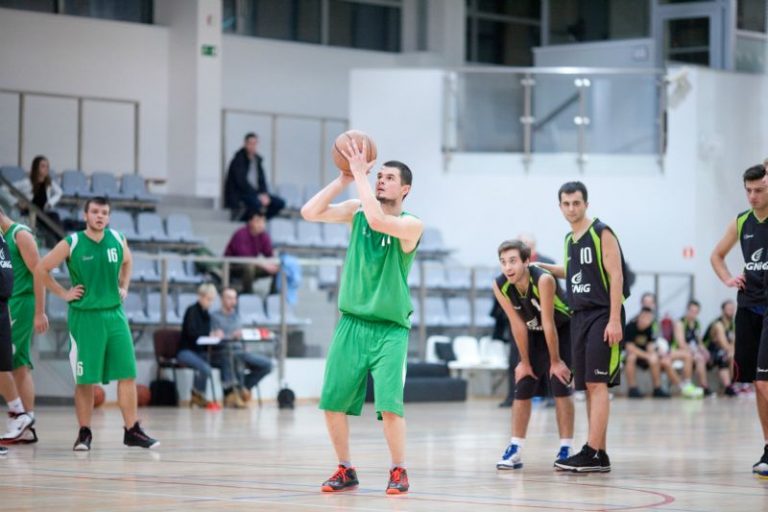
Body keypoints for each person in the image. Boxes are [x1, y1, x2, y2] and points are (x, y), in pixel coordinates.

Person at [301, 139, 423, 495]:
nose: (381, 180)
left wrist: (359, 175)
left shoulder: (412, 224)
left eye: (389, 177)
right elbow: (309, 212)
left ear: (405, 189)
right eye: (378, 175)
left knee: (390, 406)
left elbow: (377, 219)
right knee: (332, 402)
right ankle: (345, 469)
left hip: (390, 330)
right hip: (351, 323)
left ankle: (398, 470)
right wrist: (343, 179)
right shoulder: (356, 210)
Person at [35, 197, 158, 451]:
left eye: (104, 212)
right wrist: (63, 293)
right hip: (86, 318)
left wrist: (124, 286)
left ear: (108, 217)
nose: (100, 216)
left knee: (128, 373)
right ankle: (84, 433)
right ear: (85, 215)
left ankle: (132, 430)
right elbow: (41, 269)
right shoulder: (73, 242)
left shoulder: (118, 239)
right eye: (95, 212)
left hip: (115, 315)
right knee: (85, 379)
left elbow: (128, 261)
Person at [539, 181, 629, 473]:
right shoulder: (570, 239)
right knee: (589, 386)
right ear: (560, 207)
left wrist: (614, 319)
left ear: (586, 204)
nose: (571, 208)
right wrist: (544, 268)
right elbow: (573, 270)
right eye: (566, 204)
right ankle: (599, 453)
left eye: (576, 203)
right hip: (579, 316)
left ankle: (591, 450)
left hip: (602, 313)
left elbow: (616, 275)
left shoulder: (601, 232)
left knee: (597, 384)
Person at [492, 239, 575, 470]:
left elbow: (549, 323)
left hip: (562, 329)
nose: (508, 267)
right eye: (503, 262)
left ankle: (566, 448)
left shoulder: (544, 280)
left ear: (526, 261)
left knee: (559, 383)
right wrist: (524, 362)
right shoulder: (499, 285)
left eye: (513, 261)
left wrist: (556, 361)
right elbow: (517, 324)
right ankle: (515, 448)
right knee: (523, 383)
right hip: (532, 331)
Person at [710, 163, 768, 477]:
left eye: (759, 190)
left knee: (764, 381)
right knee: (758, 383)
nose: (753, 196)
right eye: (749, 190)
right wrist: (728, 278)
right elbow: (716, 255)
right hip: (749, 307)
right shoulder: (742, 221)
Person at [0, 208, 45, 444]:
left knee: (6, 362)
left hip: (21, 304)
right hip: (10, 303)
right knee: (19, 364)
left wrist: (39, 312)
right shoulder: (3, 238)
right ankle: (27, 425)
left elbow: (40, 273)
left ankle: (19, 415)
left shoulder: (20, 235)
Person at [177, 283, 239, 408]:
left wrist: (216, 335)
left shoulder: (206, 314)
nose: (210, 303)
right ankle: (197, 395)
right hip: (187, 351)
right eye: (208, 299)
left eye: (212, 300)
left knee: (225, 357)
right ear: (200, 296)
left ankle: (228, 391)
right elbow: (191, 333)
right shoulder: (192, 311)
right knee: (205, 368)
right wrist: (210, 334)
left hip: (201, 352)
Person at [211, 288, 273, 404]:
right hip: (223, 351)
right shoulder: (214, 317)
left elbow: (241, 336)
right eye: (229, 298)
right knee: (234, 358)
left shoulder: (237, 317)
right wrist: (229, 336)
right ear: (222, 299)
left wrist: (243, 340)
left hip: (240, 350)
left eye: (234, 298)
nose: (232, 301)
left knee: (267, 365)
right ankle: (233, 392)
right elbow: (214, 337)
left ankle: (243, 387)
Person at [224, 132, 285, 220]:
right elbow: (241, 182)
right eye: (250, 143)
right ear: (245, 144)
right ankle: (246, 220)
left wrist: (264, 194)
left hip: (257, 194)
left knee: (279, 203)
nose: (252, 146)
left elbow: (262, 180)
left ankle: (261, 220)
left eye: (255, 143)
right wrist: (258, 195)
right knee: (256, 203)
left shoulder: (258, 161)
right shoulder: (238, 160)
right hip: (242, 194)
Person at [624, 307, 678, 399]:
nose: (646, 320)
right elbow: (630, 348)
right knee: (631, 357)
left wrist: (653, 354)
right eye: (644, 317)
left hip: (644, 354)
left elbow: (650, 345)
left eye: (649, 318)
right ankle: (632, 389)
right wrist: (647, 356)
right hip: (631, 354)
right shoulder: (630, 327)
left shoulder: (650, 328)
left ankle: (657, 389)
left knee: (654, 358)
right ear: (639, 316)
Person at [223, 210, 279, 294]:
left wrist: (272, 264)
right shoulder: (240, 234)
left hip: (253, 265)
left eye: (263, 221)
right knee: (249, 267)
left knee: (279, 267)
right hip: (234, 266)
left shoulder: (263, 236)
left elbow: (269, 255)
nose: (261, 224)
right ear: (250, 221)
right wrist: (263, 264)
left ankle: (274, 294)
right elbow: (244, 258)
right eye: (258, 221)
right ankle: (248, 294)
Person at [14, 155, 65, 242]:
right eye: (43, 166)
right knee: (53, 221)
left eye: (47, 166)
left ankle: (62, 243)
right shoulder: (27, 182)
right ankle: (63, 243)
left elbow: (59, 192)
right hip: (30, 214)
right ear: (36, 168)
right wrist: (16, 202)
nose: (46, 169)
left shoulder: (48, 182)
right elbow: (4, 189)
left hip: (42, 214)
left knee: (55, 216)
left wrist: (50, 203)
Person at [673, 300, 712, 396]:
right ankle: (688, 385)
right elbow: (681, 344)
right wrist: (695, 353)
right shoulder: (680, 323)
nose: (693, 313)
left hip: (691, 351)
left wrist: (705, 351)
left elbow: (699, 342)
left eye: (696, 311)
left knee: (702, 359)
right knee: (694, 357)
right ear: (687, 310)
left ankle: (704, 387)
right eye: (691, 311)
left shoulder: (696, 323)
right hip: (678, 351)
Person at [702, 299, 737, 396]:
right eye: (729, 309)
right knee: (731, 356)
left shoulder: (732, 324)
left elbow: (735, 342)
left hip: (721, 353)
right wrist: (733, 350)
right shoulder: (718, 324)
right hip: (710, 352)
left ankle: (730, 386)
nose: (731, 311)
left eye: (733, 309)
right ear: (723, 310)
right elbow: (724, 344)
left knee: (732, 356)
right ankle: (730, 386)